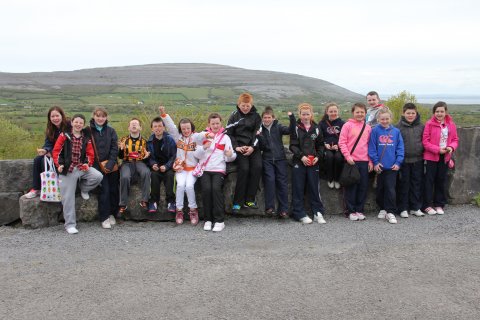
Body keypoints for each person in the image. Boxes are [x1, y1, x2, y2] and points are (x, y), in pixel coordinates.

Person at [52, 114, 103, 234]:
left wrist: (87, 164)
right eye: (76, 122)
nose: (78, 124)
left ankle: (83, 189)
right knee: (68, 198)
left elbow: (90, 154)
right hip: (67, 169)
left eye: (81, 123)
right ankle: (70, 224)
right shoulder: (64, 136)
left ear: (83, 124)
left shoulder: (86, 138)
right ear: (72, 123)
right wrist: (59, 165)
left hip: (81, 167)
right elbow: (56, 151)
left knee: (98, 176)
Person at [160, 106, 206, 225]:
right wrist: (164, 114)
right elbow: (171, 127)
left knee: (189, 186)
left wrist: (208, 135)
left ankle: (193, 210)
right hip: (180, 169)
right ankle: (179, 210)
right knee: (180, 186)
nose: (186, 130)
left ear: (192, 128)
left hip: (192, 169)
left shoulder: (195, 137)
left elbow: (203, 135)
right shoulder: (178, 137)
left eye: (188, 128)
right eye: (183, 128)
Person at [195, 113, 236, 232]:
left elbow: (231, 156)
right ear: (209, 124)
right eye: (213, 123)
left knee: (216, 189)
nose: (215, 125)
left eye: (217, 123)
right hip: (205, 169)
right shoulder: (203, 136)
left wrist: (230, 155)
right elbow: (196, 155)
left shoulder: (225, 138)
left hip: (218, 169)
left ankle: (219, 220)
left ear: (221, 124)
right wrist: (204, 147)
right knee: (206, 190)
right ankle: (208, 219)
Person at [289, 103, 326, 224]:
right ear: (299, 114)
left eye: (308, 114)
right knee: (298, 188)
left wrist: (318, 157)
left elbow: (320, 145)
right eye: (303, 114)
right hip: (299, 162)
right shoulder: (295, 127)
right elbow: (292, 145)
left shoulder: (316, 127)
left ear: (311, 114)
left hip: (313, 162)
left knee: (314, 187)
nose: (305, 116)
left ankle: (317, 212)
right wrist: (301, 157)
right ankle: (299, 213)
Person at [226, 93, 263, 213]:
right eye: (243, 105)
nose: (245, 108)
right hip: (239, 148)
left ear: (251, 105)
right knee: (244, 169)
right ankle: (237, 202)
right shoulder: (234, 116)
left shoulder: (257, 116)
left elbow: (258, 133)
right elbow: (229, 133)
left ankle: (250, 200)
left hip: (253, 148)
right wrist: (236, 147)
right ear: (239, 104)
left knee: (257, 167)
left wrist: (252, 147)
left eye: (247, 105)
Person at [368, 108, 404, 224]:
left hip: (392, 166)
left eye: (386, 119)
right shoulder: (375, 131)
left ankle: (391, 211)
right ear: (378, 119)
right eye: (382, 119)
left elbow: (400, 148)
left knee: (390, 189)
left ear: (390, 119)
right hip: (379, 166)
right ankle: (382, 208)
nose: (384, 121)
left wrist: (398, 162)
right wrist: (375, 162)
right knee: (380, 189)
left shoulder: (396, 131)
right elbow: (372, 148)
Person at [422, 101, 459, 215]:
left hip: (445, 156)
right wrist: (438, 150)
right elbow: (425, 142)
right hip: (431, 157)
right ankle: (427, 205)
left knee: (441, 180)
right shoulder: (429, 124)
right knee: (429, 181)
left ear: (446, 112)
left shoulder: (451, 125)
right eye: (437, 111)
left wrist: (450, 148)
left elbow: (455, 140)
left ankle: (439, 204)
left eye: (442, 111)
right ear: (434, 112)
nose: (439, 113)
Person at [25, 106, 70, 198]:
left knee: (43, 161)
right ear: (49, 118)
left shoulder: (69, 126)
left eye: (57, 115)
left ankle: (53, 187)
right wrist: (45, 150)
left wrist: (52, 153)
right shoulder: (50, 129)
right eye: (52, 116)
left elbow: (69, 145)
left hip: (66, 155)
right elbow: (48, 143)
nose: (55, 118)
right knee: (38, 159)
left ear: (62, 115)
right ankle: (36, 189)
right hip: (54, 153)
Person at [338, 103, 373, 221]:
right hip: (351, 161)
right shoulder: (347, 125)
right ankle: (351, 211)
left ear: (365, 113)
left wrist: (370, 161)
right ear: (353, 113)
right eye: (357, 112)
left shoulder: (368, 127)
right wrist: (347, 157)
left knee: (363, 187)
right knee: (351, 187)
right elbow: (342, 142)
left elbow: (369, 145)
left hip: (364, 161)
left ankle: (359, 209)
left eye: (362, 112)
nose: (360, 114)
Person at [257, 106, 292, 218]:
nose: (267, 119)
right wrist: (259, 136)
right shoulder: (260, 129)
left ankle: (284, 210)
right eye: (265, 118)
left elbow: (290, 131)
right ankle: (270, 208)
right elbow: (261, 146)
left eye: (269, 117)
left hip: (280, 158)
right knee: (270, 181)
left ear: (273, 118)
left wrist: (292, 118)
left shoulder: (278, 126)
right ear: (262, 118)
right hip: (267, 159)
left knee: (282, 183)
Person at [88, 107, 120, 229]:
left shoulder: (111, 131)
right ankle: (104, 217)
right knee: (104, 191)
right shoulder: (88, 131)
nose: (100, 118)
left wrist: (110, 164)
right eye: (98, 116)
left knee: (113, 190)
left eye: (103, 116)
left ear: (106, 117)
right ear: (94, 116)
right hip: (96, 167)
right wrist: (98, 166)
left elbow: (114, 148)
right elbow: (87, 149)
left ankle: (112, 213)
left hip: (111, 166)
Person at [395, 103, 425, 218]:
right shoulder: (397, 127)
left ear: (416, 113)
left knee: (417, 184)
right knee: (404, 184)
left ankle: (415, 207)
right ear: (403, 113)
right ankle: (403, 208)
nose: (411, 115)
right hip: (403, 161)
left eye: (413, 113)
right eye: (408, 113)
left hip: (418, 160)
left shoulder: (421, 127)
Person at [118, 118, 151, 216]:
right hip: (127, 162)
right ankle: (123, 204)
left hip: (140, 162)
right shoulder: (123, 140)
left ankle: (144, 200)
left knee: (146, 172)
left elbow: (146, 156)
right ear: (128, 127)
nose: (134, 125)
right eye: (132, 124)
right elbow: (120, 156)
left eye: (136, 124)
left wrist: (147, 157)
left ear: (140, 127)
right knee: (124, 177)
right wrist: (121, 149)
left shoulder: (144, 141)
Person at [146, 117, 177, 214]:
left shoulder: (170, 139)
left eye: (160, 126)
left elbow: (173, 156)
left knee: (170, 176)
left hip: (168, 166)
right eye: (155, 126)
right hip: (156, 166)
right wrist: (153, 164)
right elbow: (149, 157)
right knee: (153, 175)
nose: (158, 128)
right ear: (152, 128)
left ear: (164, 128)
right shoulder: (149, 141)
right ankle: (153, 201)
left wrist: (167, 166)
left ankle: (171, 201)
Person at [319, 102, 345, 189]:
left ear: (338, 111)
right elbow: (320, 136)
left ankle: (337, 179)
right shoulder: (322, 123)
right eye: (331, 111)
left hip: (339, 147)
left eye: (335, 111)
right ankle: (330, 179)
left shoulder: (342, 123)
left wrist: (338, 145)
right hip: (327, 147)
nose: (333, 113)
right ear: (327, 112)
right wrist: (324, 144)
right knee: (329, 157)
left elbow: (344, 137)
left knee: (338, 158)